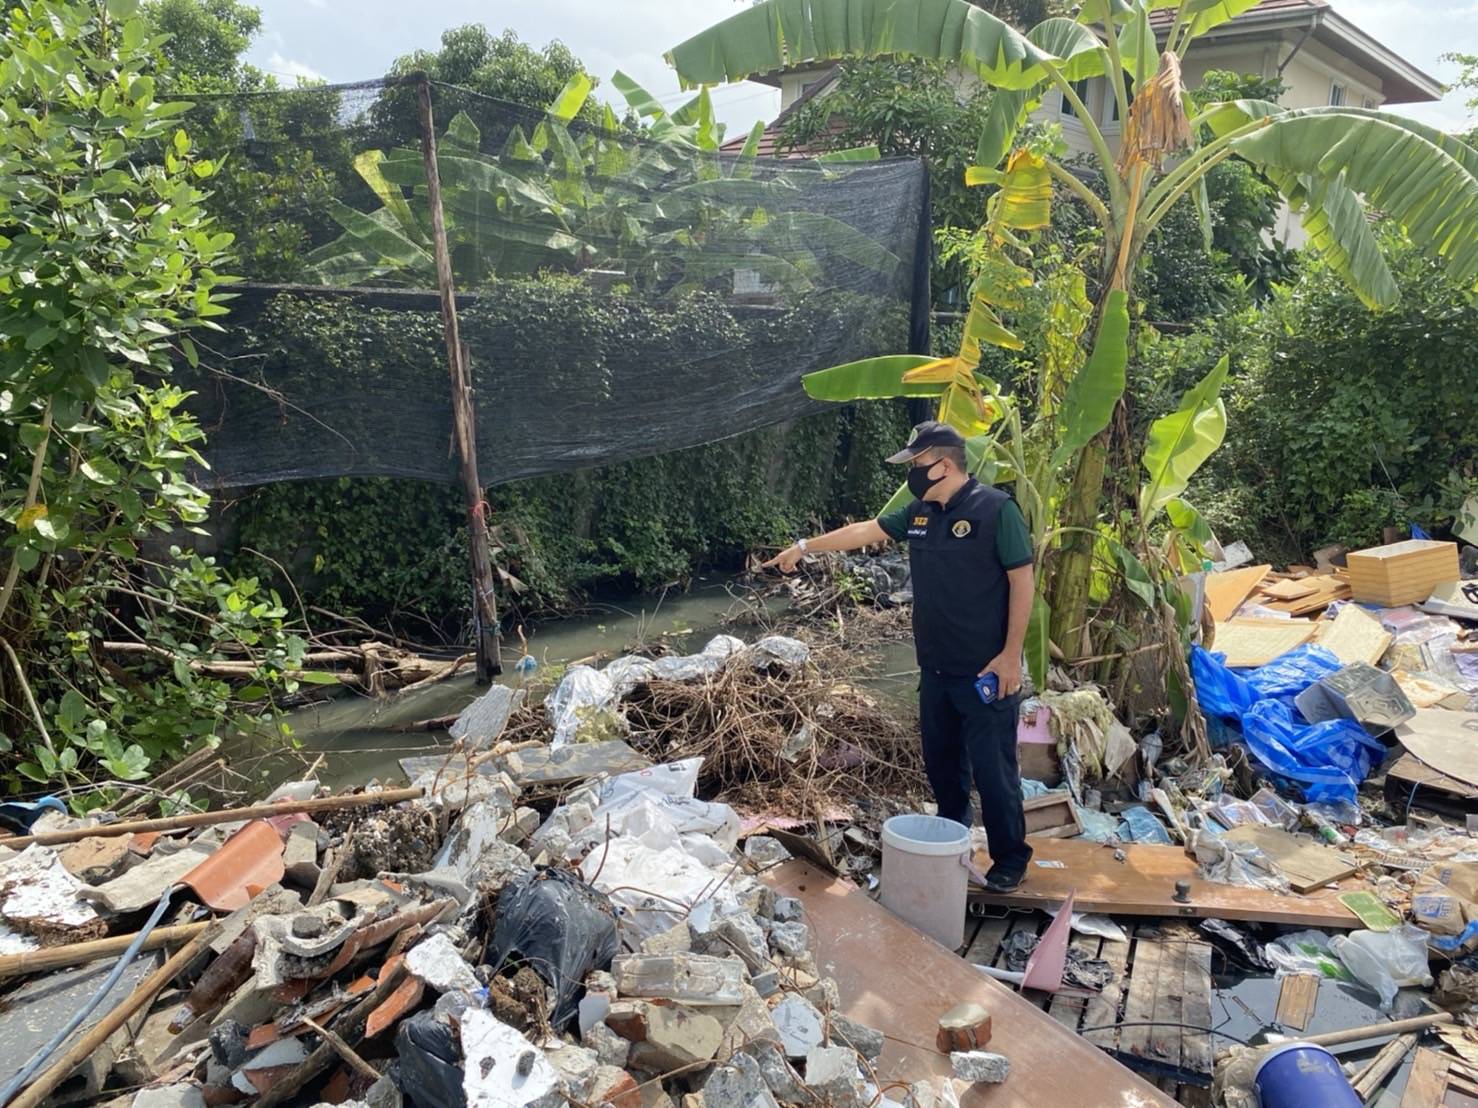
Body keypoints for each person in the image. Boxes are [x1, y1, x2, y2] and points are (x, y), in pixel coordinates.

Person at [762, 421, 1036, 891]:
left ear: (943, 464)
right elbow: (866, 530)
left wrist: (1011, 656)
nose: (912, 472)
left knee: (994, 772)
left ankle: (1010, 858)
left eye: (917, 463)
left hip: (986, 670)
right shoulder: (920, 513)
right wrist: (804, 547)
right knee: (943, 769)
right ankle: (953, 844)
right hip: (936, 669)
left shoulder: (996, 510)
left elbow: (1022, 582)